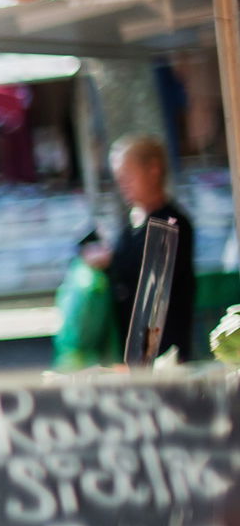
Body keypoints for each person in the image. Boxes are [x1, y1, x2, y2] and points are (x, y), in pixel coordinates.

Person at [85, 134, 199, 362]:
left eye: (128, 176)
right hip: (130, 348)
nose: (122, 185)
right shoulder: (132, 220)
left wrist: (111, 261)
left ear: (153, 170)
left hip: (163, 352)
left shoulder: (172, 223)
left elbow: (153, 281)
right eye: (119, 178)